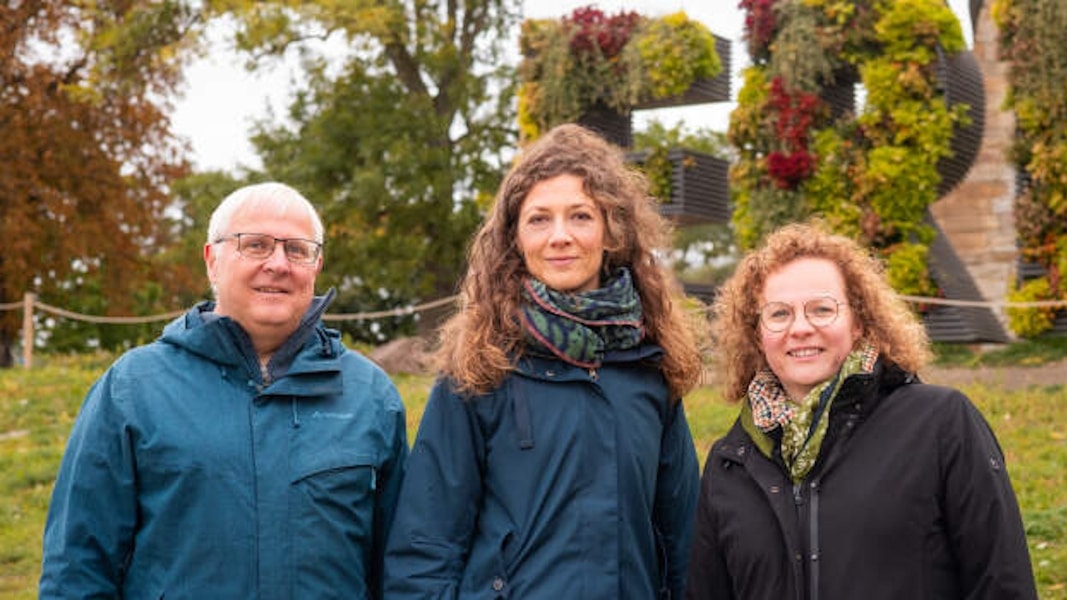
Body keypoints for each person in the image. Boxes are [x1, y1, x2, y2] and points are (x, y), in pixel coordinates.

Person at [40, 182, 408, 598]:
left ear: (316, 265)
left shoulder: (369, 396)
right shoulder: (133, 389)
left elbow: (401, 568)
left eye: (296, 249)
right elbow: (77, 567)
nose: (278, 264)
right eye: (255, 245)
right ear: (212, 260)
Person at [384, 123, 705, 598]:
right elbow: (424, 551)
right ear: (514, 236)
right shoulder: (478, 368)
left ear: (611, 231)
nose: (560, 236)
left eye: (580, 216)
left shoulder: (650, 367)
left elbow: (686, 546)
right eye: (539, 219)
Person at [685, 222, 1038, 599]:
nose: (800, 328)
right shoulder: (730, 463)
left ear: (858, 323)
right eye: (779, 314)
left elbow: (1003, 585)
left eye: (822, 309)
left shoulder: (941, 424)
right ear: (758, 335)